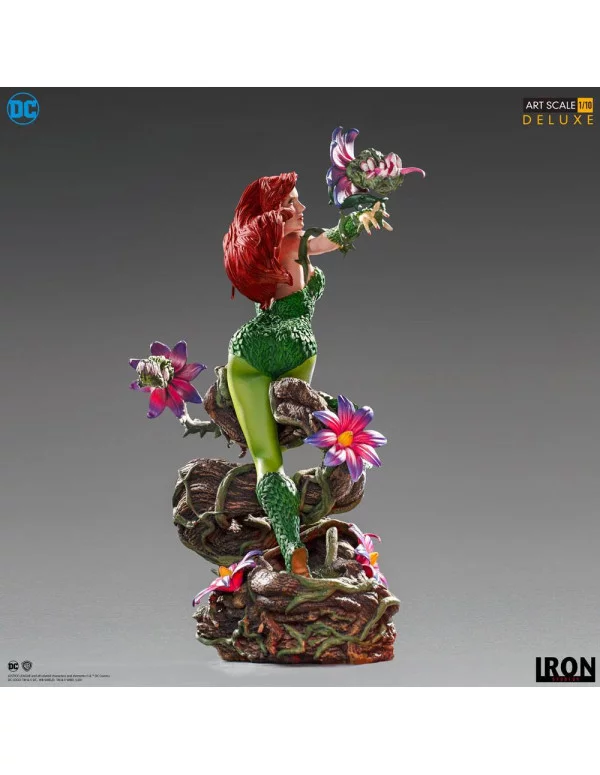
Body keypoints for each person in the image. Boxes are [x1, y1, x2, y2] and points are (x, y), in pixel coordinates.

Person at [223, 172, 390, 577]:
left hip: (254, 348)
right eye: (290, 204)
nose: (301, 208)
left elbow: (328, 240)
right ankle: (337, 432)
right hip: (299, 346)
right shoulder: (295, 243)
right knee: (301, 410)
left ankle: (291, 545)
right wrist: (362, 211)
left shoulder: (270, 250)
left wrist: (359, 212)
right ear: (271, 215)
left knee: (266, 459)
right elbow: (334, 237)